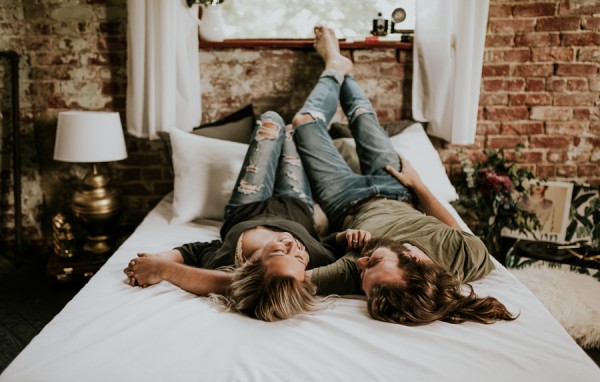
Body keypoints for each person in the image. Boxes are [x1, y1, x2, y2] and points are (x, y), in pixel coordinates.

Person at [291, 26, 516, 326]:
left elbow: (287, 280)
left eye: (363, 275)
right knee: (361, 116)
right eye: (374, 262)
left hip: (344, 200)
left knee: (303, 122)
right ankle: (339, 64)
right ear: (415, 258)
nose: (361, 262)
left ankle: (335, 66)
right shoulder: (467, 257)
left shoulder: (357, 269)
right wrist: (417, 184)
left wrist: (342, 238)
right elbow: (454, 229)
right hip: (398, 187)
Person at [124, 111, 370, 322]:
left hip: (246, 204)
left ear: (252, 265)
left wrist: (164, 260)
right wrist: (346, 236)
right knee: (292, 131)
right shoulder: (319, 259)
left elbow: (194, 251)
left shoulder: (225, 259)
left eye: (279, 252)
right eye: (299, 256)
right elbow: (330, 244)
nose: (292, 245)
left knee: (271, 120)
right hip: (295, 202)